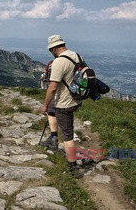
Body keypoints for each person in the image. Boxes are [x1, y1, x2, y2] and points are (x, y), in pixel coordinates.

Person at [40, 34, 84, 178]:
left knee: (68, 136)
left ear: (53, 48)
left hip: (65, 103)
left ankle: (73, 167)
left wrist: (44, 105)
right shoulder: (77, 55)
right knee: (52, 111)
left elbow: (52, 88)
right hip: (75, 98)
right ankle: (53, 138)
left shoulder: (59, 62)